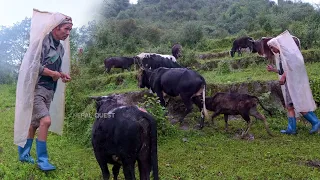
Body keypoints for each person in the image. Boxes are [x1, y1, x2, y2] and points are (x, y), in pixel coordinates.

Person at [17, 16, 73, 171]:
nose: (68, 33)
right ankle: (43, 161)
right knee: (45, 121)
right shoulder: (42, 43)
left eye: (70, 30)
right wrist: (51, 73)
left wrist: (62, 75)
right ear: (56, 28)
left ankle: (24, 155)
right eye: (66, 29)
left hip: (50, 90)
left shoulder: (60, 48)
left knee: (35, 123)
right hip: (36, 88)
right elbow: (33, 65)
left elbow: (56, 68)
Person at [266, 34, 320, 135]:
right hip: (288, 85)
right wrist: (273, 69)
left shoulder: (288, 55)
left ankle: (316, 122)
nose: (272, 49)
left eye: (272, 47)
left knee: (298, 104)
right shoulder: (281, 57)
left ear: (277, 45)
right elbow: (283, 71)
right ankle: (292, 129)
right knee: (290, 106)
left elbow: (292, 67)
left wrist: (283, 77)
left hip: (293, 84)